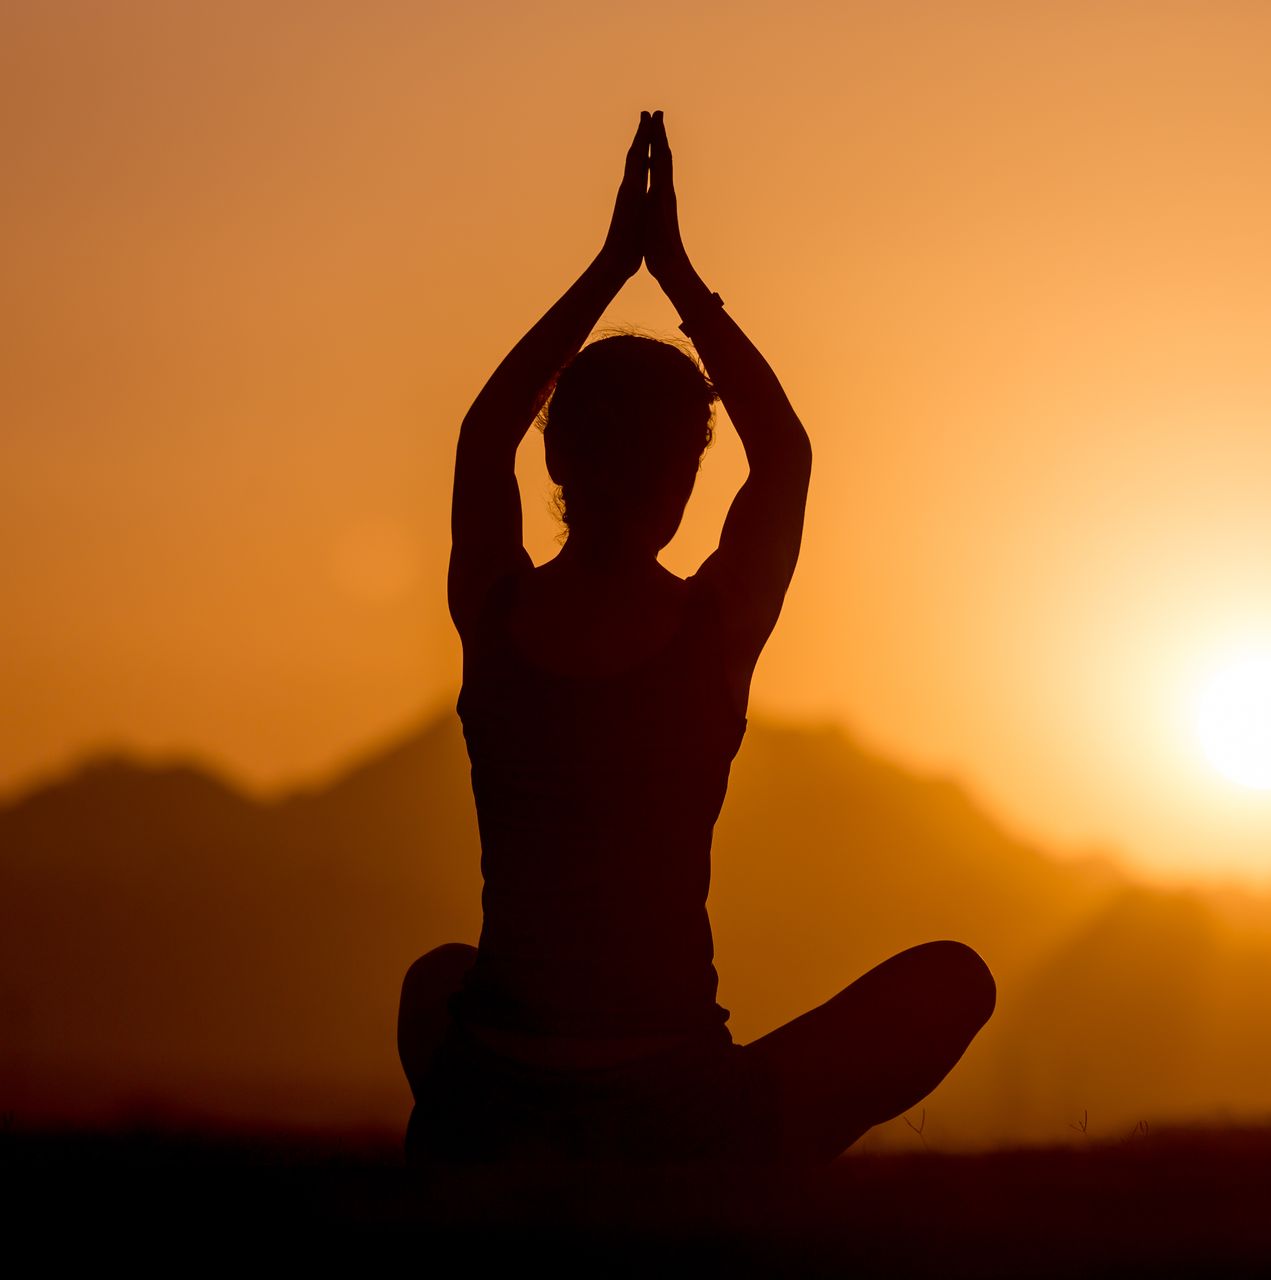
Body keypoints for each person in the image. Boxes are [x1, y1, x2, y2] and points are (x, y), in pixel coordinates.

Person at [398, 112, 994, 1165]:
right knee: (956, 977)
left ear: (558, 465)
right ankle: (706, 1175)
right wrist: (675, 276)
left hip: (494, 1093)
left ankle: (517, 1166)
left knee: (437, 982)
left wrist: (606, 269)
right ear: (682, 479)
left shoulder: (494, 613)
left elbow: (483, 432)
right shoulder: (710, 631)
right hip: (675, 1104)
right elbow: (787, 457)